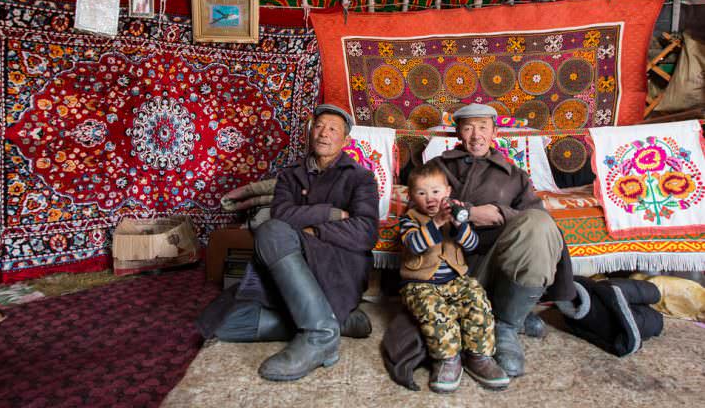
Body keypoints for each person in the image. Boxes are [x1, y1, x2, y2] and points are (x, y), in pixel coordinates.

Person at [197, 103, 379, 382]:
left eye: (333, 129)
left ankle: (320, 335)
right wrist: (330, 214)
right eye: (319, 126)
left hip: (338, 266)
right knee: (223, 324)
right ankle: (334, 320)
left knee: (272, 232)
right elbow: (282, 213)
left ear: (345, 140)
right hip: (294, 267)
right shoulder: (291, 175)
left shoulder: (360, 177)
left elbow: (366, 231)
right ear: (310, 131)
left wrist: (315, 232)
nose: (324, 133)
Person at [428, 103, 574, 378]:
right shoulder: (437, 167)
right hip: (453, 269)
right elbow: (424, 201)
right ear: (458, 132)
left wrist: (498, 214)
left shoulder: (514, 175)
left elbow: (536, 218)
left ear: (495, 132)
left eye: (483, 127)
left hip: (499, 264)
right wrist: (467, 213)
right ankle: (502, 316)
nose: (476, 135)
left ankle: (506, 325)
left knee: (540, 226)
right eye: (469, 127)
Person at [399, 163, 509, 394]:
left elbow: (472, 245)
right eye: (421, 193)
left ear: (448, 192)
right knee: (435, 312)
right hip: (421, 284)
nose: (430, 198)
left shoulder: (454, 215)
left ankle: (479, 355)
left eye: (436, 192)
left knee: (478, 299)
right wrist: (437, 222)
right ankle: (447, 359)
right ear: (411, 196)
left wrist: (459, 224)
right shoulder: (409, 219)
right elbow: (414, 245)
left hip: (455, 279)